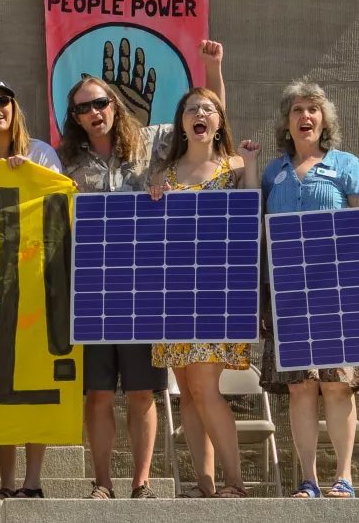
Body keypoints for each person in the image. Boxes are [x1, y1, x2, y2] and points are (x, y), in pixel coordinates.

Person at [59, 41, 225, 500]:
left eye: (100, 102)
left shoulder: (152, 144)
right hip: (92, 292)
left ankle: (141, 483)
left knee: (141, 394)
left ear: (114, 104)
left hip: (145, 291)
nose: (94, 112)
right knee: (96, 395)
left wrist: (212, 69)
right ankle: (102, 484)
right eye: (83, 109)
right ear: (74, 119)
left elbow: (208, 123)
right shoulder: (64, 162)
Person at [249, 81, 359, 499]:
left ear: (324, 120)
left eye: (313, 109)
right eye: (297, 109)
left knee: (337, 384)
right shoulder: (272, 173)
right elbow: (260, 238)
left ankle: (344, 476)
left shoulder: (347, 165)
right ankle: (308, 480)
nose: (305, 116)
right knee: (300, 386)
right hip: (288, 294)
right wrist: (262, 295)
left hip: (336, 293)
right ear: (287, 121)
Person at [146, 87, 252, 499]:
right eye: (192, 109)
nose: (200, 113)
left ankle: (235, 483)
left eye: (208, 108)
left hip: (216, 293)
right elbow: (153, 237)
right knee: (187, 390)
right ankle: (204, 482)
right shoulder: (163, 176)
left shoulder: (236, 167)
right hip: (171, 295)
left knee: (205, 387)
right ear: (182, 123)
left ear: (219, 121)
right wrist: (155, 198)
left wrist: (254, 164)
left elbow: (248, 214)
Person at [0, 79, 60, 499]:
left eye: (2, 100)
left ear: (14, 106)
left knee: (33, 378)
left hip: (36, 281)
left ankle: (33, 481)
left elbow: (60, 199)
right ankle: (6, 482)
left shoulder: (41, 152)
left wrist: (33, 175)